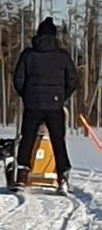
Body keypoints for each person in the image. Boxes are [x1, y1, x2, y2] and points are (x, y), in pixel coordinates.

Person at [12, 16, 77, 194]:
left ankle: (21, 177)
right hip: (55, 106)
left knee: (27, 139)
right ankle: (62, 178)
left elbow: (18, 80)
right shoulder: (62, 56)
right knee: (58, 142)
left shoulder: (28, 55)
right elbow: (72, 81)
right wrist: (61, 97)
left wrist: (27, 96)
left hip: (32, 105)